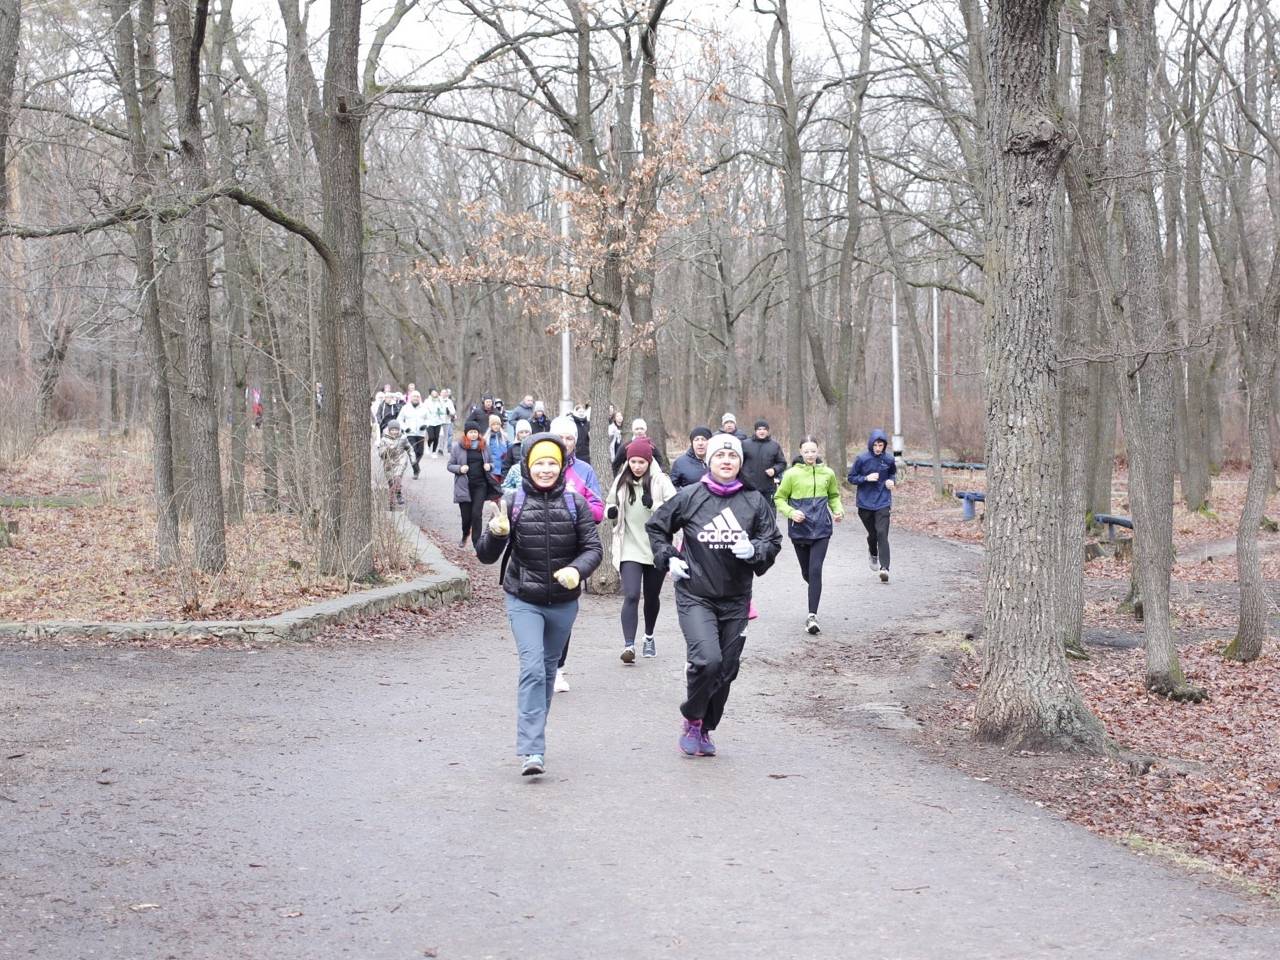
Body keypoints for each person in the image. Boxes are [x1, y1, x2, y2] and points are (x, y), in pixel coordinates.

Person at [475, 434, 603, 776]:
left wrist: (577, 570)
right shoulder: (514, 502)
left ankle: (535, 737)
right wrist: (497, 533)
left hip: (563, 603)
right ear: (528, 466)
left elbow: (593, 549)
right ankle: (533, 750)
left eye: (552, 463)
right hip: (523, 599)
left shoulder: (576, 504)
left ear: (561, 467)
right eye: (539, 463)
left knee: (547, 671)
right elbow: (486, 556)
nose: (546, 469)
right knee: (532, 668)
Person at [646, 433, 781, 757]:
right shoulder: (691, 496)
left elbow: (772, 540)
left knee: (726, 669)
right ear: (710, 461)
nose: (726, 460)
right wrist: (668, 558)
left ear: (739, 462)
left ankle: (705, 728)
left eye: (732, 456)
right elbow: (656, 527)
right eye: (720, 455)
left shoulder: (753, 500)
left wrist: (755, 550)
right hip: (696, 594)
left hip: (736, 598)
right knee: (708, 660)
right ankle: (692, 717)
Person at [605, 440, 677, 662]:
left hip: (656, 547)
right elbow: (609, 503)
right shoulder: (621, 481)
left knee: (652, 596)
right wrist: (612, 511)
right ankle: (629, 645)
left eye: (641, 462)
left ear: (649, 461)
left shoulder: (661, 481)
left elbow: (676, 510)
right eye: (633, 461)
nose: (637, 466)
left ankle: (649, 636)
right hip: (629, 546)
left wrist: (653, 505)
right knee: (632, 594)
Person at [549, 414, 605, 692]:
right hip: (535, 549)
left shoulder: (585, 471)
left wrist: (576, 503)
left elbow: (599, 511)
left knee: (564, 613)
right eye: (559, 436)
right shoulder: (537, 466)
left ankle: (557, 668)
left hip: (571, 552)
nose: (564, 442)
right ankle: (541, 664)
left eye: (569, 437)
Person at [775, 436, 845, 634]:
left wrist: (838, 510)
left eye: (813, 451)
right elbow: (779, 498)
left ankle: (811, 616)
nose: (810, 455)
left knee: (815, 571)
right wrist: (791, 512)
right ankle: (815, 588)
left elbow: (833, 496)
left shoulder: (827, 473)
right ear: (800, 452)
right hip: (800, 530)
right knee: (807, 573)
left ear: (817, 451)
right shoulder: (791, 474)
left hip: (822, 529)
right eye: (806, 451)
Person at [848, 428, 897, 583]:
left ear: (884, 446)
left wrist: (892, 481)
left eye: (880, 445)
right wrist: (866, 478)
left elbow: (892, 474)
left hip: (883, 500)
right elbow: (851, 477)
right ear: (871, 444)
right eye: (875, 445)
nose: (878, 448)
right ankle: (872, 551)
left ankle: (885, 569)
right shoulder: (862, 458)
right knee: (873, 534)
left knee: (882, 532)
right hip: (865, 503)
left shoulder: (889, 459)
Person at [447, 415, 501, 548]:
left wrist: (489, 466)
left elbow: (492, 463)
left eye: (475, 432)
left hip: (480, 485)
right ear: (466, 433)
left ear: (478, 433)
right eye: (471, 432)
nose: (473, 435)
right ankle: (465, 534)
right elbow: (449, 465)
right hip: (464, 486)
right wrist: (460, 468)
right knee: (466, 517)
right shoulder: (458, 447)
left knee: (477, 514)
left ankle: (477, 542)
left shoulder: (483, 446)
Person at [741, 418, 787, 498]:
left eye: (764, 429)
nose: (762, 431)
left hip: (767, 488)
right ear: (755, 431)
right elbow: (739, 462)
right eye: (759, 429)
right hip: (748, 487)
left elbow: (782, 463)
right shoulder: (745, 444)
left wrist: (774, 470)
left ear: (768, 431)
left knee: (768, 510)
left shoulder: (774, 445)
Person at [376, 421, 412, 510]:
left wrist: (413, 459)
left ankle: (399, 495)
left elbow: (409, 448)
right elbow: (381, 454)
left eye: (396, 429)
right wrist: (387, 449)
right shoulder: (384, 439)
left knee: (397, 478)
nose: (394, 432)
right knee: (391, 483)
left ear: (399, 430)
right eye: (392, 430)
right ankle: (392, 503)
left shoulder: (403, 438)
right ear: (389, 430)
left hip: (400, 461)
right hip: (388, 464)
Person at [396, 390, 430, 478]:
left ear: (419, 398)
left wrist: (425, 425)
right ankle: (416, 471)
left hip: (421, 433)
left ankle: (415, 466)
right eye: (414, 396)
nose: (415, 398)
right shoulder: (405, 408)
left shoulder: (424, 407)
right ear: (411, 398)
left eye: (417, 397)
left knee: (420, 452)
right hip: (409, 433)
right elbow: (399, 419)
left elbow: (429, 419)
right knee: (413, 451)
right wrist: (404, 427)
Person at [424, 388, 448, 457]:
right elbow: (424, 410)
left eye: (435, 392)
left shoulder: (440, 401)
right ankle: (428, 445)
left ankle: (434, 452)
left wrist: (440, 413)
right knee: (431, 437)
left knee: (436, 437)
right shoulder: (427, 401)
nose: (435, 393)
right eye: (433, 392)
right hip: (429, 421)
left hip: (438, 421)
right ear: (430, 393)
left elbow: (443, 410)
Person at [439, 388, 458, 452]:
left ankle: (442, 448)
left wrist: (449, 412)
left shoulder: (449, 401)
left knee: (445, 436)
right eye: (443, 392)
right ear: (440, 393)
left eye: (445, 393)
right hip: (438, 421)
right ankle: (440, 448)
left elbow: (453, 411)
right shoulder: (437, 400)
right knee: (440, 435)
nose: (444, 394)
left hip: (447, 421)